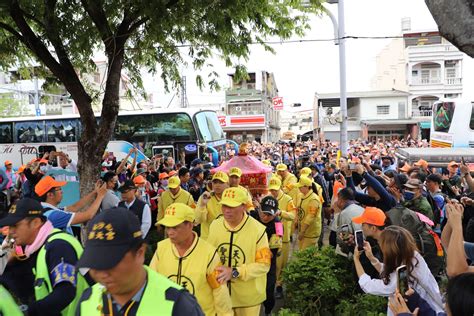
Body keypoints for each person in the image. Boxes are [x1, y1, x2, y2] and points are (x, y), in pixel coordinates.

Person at [75, 208, 204, 315]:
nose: (102, 274)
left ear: (140, 253)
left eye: (111, 262)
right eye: (94, 263)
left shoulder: (177, 304)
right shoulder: (87, 300)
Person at [0, 198, 88, 316]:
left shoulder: (59, 246)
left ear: (35, 222)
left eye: (15, 225)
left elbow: (65, 292)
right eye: (9, 227)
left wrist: (29, 312)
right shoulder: (37, 249)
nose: (11, 232)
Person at [150, 203, 232, 316]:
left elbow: (219, 291)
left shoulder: (208, 253)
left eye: (175, 227)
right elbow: (151, 282)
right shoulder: (162, 249)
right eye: (167, 227)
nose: (170, 233)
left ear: (190, 225)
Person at [207, 187, 271, 316]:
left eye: (231, 206)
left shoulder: (258, 230)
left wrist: (235, 271)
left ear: (243, 206)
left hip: (248, 299)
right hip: (221, 295)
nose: (226, 210)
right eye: (224, 205)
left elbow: (263, 265)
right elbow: (209, 257)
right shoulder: (215, 225)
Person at [353, 226, 443, 316]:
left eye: (381, 244)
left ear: (389, 250)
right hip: (433, 306)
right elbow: (389, 273)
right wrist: (371, 258)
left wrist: (356, 259)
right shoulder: (414, 257)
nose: (380, 245)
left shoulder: (396, 284)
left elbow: (367, 285)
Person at [35, 176, 107, 235]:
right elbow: (88, 215)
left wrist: (94, 192)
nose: (62, 191)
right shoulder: (54, 215)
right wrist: (100, 196)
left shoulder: (45, 209)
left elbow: (74, 207)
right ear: (50, 195)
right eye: (59, 189)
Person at [249, 196, 282, 316]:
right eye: (264, 213)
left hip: (268, 262)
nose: (265, 217)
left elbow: (273, 250)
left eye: (270, 215)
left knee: (268, 291)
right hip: (249, 259)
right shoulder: (252, 216)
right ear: (259, 209)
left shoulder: (278, 225)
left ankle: (268, 311)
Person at [267, 176, 296, 298]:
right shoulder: (267, 199)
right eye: (271, 190)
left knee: (281, 263)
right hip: (269, 237)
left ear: (280, 188)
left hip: (283, 237)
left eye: (275, 190)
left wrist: (281, 213)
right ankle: (270, 286)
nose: (273, 192)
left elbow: (293, 215)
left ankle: (279, 286)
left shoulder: (288, 199)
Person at [195, 171, 229, 240]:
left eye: (221, 182)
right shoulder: (205, 197)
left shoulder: (231, 198)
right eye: (215, 182)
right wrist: (202, 205)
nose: (217, 185)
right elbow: (198, 220)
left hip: (226, 239)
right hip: (208, 239)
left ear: (228, 184)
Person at [296, 176, 322, 250]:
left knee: (307, 254)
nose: (299, 189)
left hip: (311, 232)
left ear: (307, 187)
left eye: (300, 187)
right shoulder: (301, 195)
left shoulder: (314, 199)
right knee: (302, 251)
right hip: (303, 230)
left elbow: (310, 217)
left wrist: (302, 232)